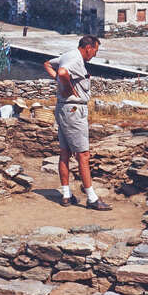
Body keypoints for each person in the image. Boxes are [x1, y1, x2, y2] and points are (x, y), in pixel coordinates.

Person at [43, 35, 112, 210]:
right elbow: (62, 72)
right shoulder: (75, 59)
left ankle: (66, 194)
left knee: (65, 152)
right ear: (88, 47)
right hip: (73, 110)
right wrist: (66, 87)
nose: (95, 55)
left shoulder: (68, 54)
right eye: (95, 50)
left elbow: (48, 64)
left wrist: (58, 82)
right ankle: (92, 198)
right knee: (83, 155)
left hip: (64, 109)